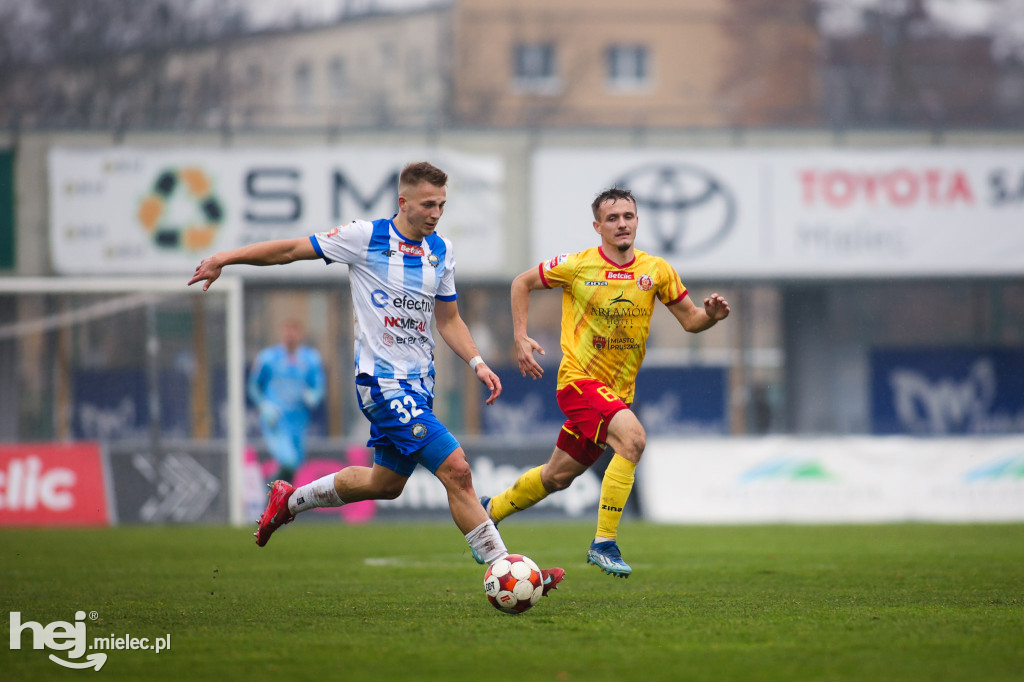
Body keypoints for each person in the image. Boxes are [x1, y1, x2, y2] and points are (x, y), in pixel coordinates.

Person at [188, 161, 564, 595]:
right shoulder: (364, 238)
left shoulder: (440, 250)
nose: (436, 213)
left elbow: (450, 318)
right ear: (403, 202)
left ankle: (289, 501)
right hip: (381, 383)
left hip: (418, 386)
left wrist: (477, 362)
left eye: (442, 205)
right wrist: (224, 258)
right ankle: (508, 568)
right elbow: (291, 250)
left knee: (384, 483)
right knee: (457, 469)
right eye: (428, 204)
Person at [475, 187, 730, 578]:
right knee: (634, 439)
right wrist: (521, 336)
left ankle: (491, 510)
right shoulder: (577, 266)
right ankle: (604, 542)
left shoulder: (656, 270)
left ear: (638, 221)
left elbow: (692, 321)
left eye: (628, 216)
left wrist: (710, 315)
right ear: (598, 226)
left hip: (617, 395)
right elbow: (520, 283)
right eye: (612, 218)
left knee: (557, 476)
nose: (622, 223)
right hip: (578, 383)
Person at [247, 318, 326, 484]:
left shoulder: (311, 359)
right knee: (288, 461)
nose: (290, 336)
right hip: (276, 420)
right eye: (287, 331)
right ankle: (269, 492)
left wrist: (314, 395)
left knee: (295, 466)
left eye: (294, 331)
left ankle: (276, 498)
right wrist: (263, 405)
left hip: (299, 422)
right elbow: (253, 386)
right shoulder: (268, 358)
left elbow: (319, 387)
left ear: (300, 334)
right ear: (281, 333)